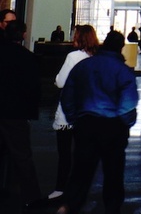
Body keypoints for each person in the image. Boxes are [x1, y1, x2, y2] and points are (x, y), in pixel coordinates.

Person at [57, 30, 138, 214]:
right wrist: (125, 123)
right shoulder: (123, 71)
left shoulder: (84, 66)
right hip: (113, 126)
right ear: (121, 47)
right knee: (113, 173)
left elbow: (67, 94)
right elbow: (128, 102)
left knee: (81, 171)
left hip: (86, 124)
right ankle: (111, 208)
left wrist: (74, 118)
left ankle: (69, 205)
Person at [48, 24, 99, 202]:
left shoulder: (73, 56)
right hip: (88, 112)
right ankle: (80, 188)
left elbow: (61, 81)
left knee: (64, 153)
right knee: (83, 152)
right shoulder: (96, 58)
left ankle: (61, 188)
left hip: (68, 112)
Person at [0, 19, 43, 209]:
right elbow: (33, 89)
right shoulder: (28, 58)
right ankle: (31, 197)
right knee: (22, 156)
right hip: (15, 113)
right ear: (24, 35)